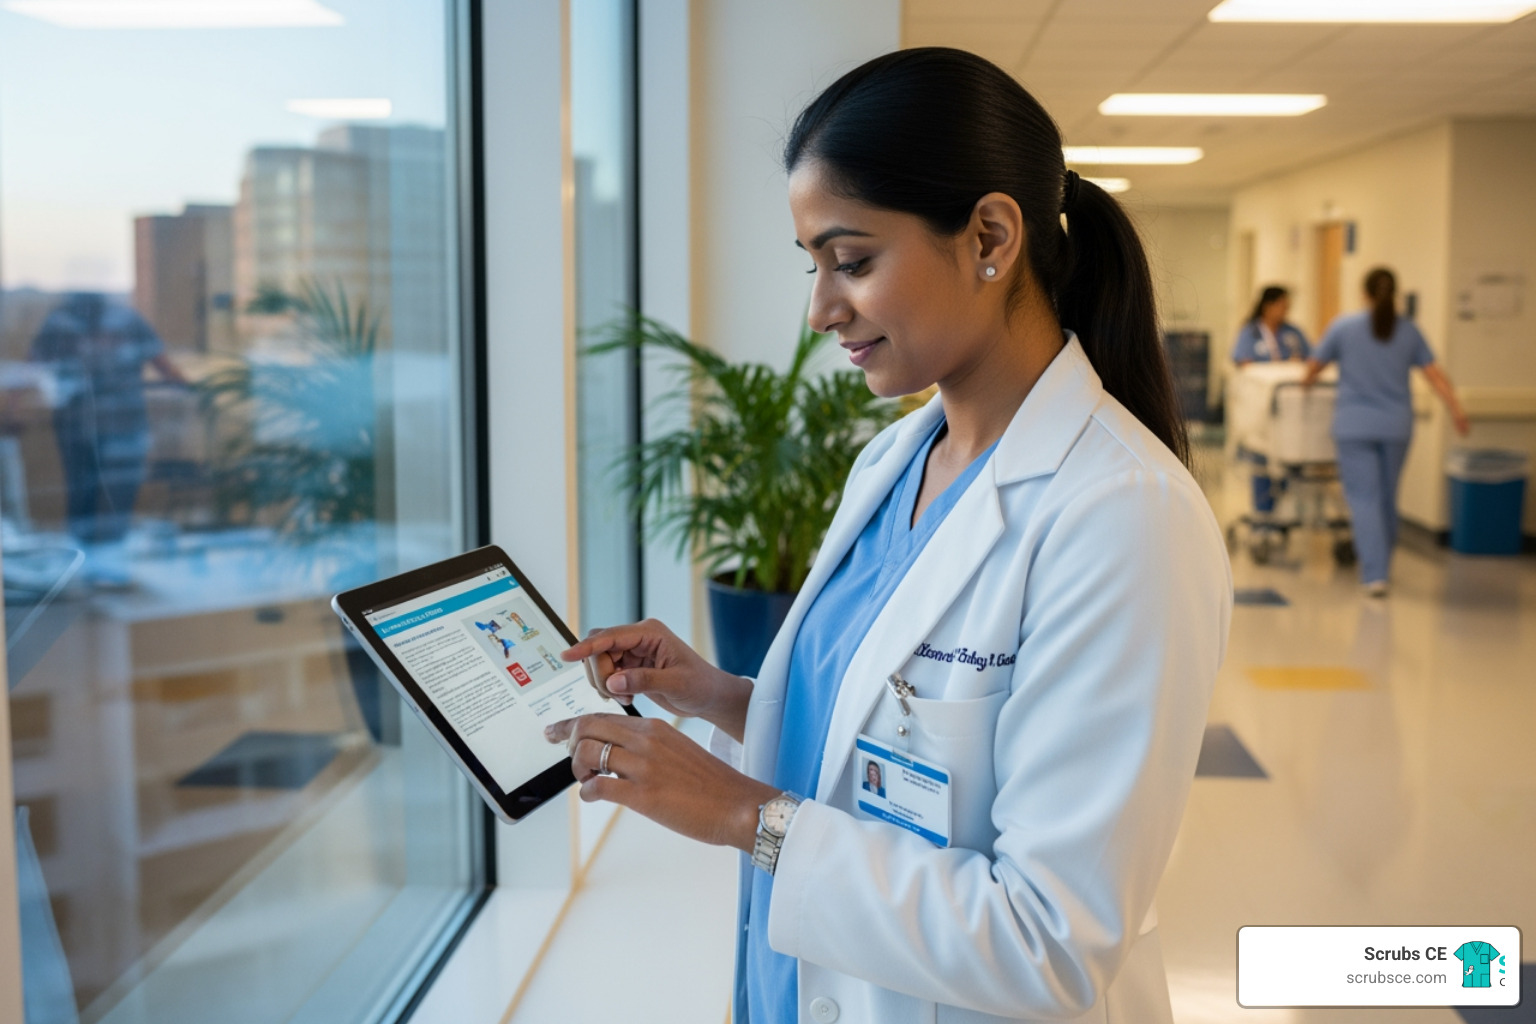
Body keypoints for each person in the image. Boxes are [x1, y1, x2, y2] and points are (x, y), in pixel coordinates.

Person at [547, 48, 1231, 1024]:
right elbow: (890, 744)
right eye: (814, 265)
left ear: (991, 237)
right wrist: (721, 696)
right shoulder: (895, 463)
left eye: (853, 261)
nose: (821, 310)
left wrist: (742, 813)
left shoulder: (1121, 515)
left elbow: (1050, 943)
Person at [1304, 267, 1468, 596]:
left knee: (1364, 498)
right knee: (1386, 498)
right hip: (1396, 427)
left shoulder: (1343, 327)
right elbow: (1435, 375)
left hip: (1354, 426)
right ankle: (1381, 563)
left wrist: (1304, 384)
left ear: (1364, 293)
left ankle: (1375, 574)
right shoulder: (1408, 331)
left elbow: (1313, 369)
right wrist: (1456, 410)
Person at [29, 292, 186, 585]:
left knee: (116, 494)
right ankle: (83, 563)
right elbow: (34, 364)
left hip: (121, 424)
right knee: (83, 492)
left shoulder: (126, 320)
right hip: (79, 425)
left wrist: (185, 389)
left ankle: (107, 563)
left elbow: (163, 365)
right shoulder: (61, 322)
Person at [1231, 285, 1309, 365]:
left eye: (1287, 307)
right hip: (1261, 372)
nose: (1285, 311)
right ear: (1267, 306)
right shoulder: (1250, 332)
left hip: (1290, 372)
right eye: (1281, 306)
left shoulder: (1293, 332)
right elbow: (1243, 360)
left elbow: (1310, 357)